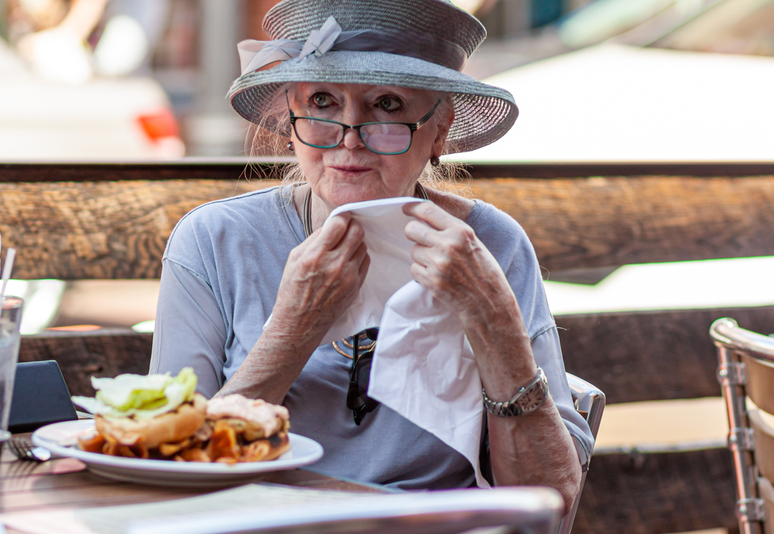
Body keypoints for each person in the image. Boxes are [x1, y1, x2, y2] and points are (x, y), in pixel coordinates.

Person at [150, 0, 593, 510]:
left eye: (387, 104)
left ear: (439, 129)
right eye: (321, 102)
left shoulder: (492, 245)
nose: (348, 139)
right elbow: (167, 469)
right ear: (290, 114)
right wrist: (291, 332)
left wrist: (493, 322)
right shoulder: (214, 241)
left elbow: (551, 495)